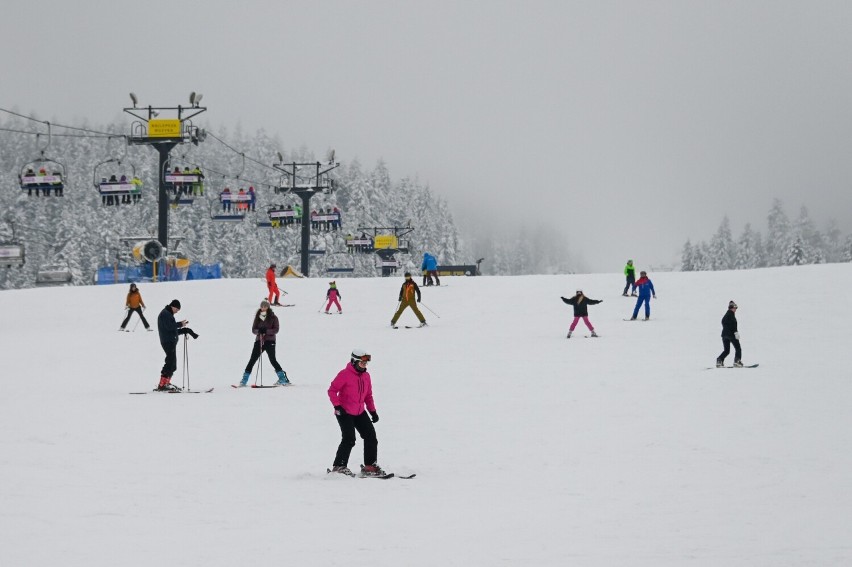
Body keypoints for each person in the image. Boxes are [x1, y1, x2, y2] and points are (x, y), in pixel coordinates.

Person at [327, 349, 384, 477]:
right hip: (344, 412)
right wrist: (337, 405)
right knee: (349, 439)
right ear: (354, 362)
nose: (364, 366)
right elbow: (331, 391)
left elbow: (368, 396)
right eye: (362, 363)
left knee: (370, 437)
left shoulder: (366, 376)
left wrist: (373, 412)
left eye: (365, 364)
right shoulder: (344, 374)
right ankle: (339, 466)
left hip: (359, 411)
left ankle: (370, 466)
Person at [237, 299, 290, 386]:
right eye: (262, 306)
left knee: (273, 360)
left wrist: (266, 331)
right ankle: (244, 380)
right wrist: (259, 331)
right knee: (252, 360)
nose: (263, 308)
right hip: (259, 341)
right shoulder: (257, 317)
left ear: (268, 307)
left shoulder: (273, 317)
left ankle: (282, 379)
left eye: (265, 306)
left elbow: (276, 330)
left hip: (270, 341)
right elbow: (253, 330)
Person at [156, 299, 198, 391]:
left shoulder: (168, 314)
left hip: (170, 341)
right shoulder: (165, 314)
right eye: (177, 309)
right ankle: (162, 385)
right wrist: (180, 324)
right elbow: (169, 327)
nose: (177, 311)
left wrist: (183, 329)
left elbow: (172, 330)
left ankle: (166, 382)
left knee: (173, 364)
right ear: (173, 306)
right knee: (170, 362)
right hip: (167, 342)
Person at [716, 301, 743, 367]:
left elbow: (723, 322)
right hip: (731, 334)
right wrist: (736, 333)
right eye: (735, 308)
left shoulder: (725, 316)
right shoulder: (731, 316)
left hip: (724, 335)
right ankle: (737, 361)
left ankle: (719, 360)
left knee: (726, 350)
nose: (735, 310)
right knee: (738, 348)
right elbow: (733, 325)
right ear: (732, 308)